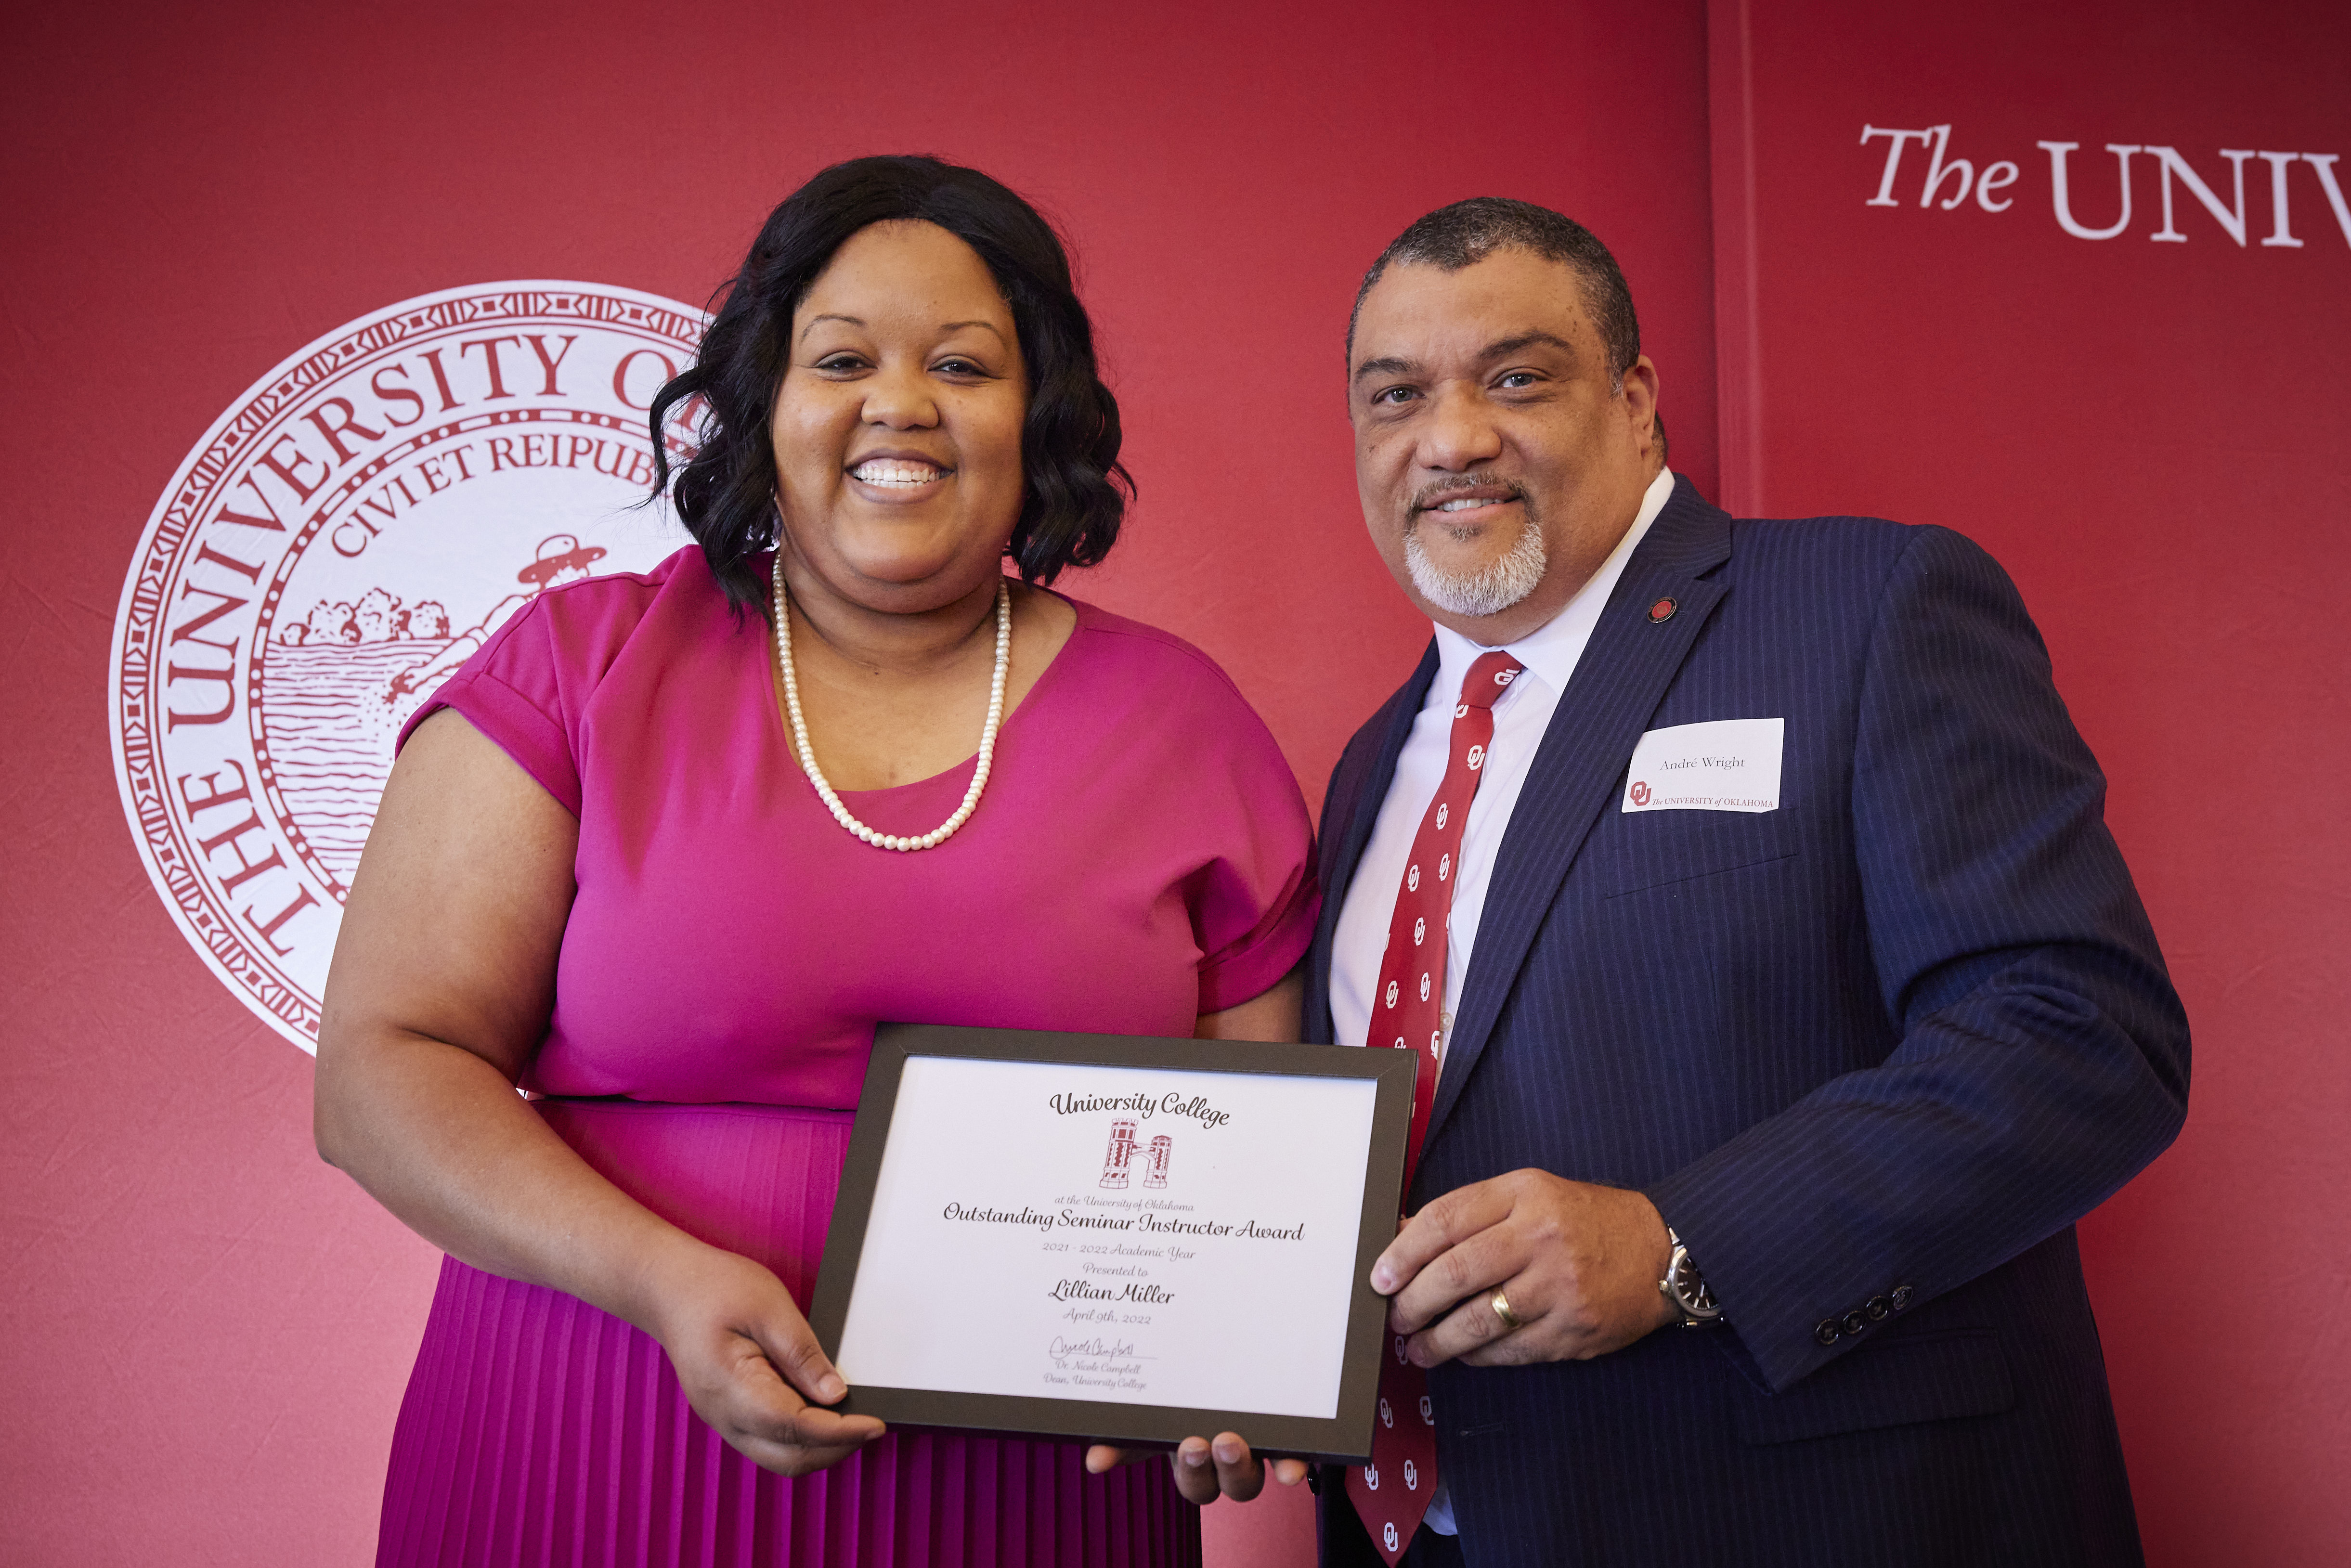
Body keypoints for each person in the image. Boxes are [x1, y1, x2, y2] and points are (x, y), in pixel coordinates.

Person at [315, 156, 1317, 1568]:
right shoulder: (580, 664)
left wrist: (1225, 1359)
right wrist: (661, 1282)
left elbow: (1242, 1171)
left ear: (1039, 419)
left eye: (963, 364)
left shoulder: (1186, 724)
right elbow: (378, 1075)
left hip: (1029, 1492)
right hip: (593, 1431)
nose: (899, 401)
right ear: (762, 408)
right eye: (840, 356)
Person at [1307, 198, 2189, 1567]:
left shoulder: (1866, 607)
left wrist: (1676, 1243)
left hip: (1820, 1519)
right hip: (1436, 1536)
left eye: (1517, 376)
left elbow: (2080, 1041)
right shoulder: (1372, 768)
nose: (1451, 436)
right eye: (1395, 394)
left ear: (1638, 401)